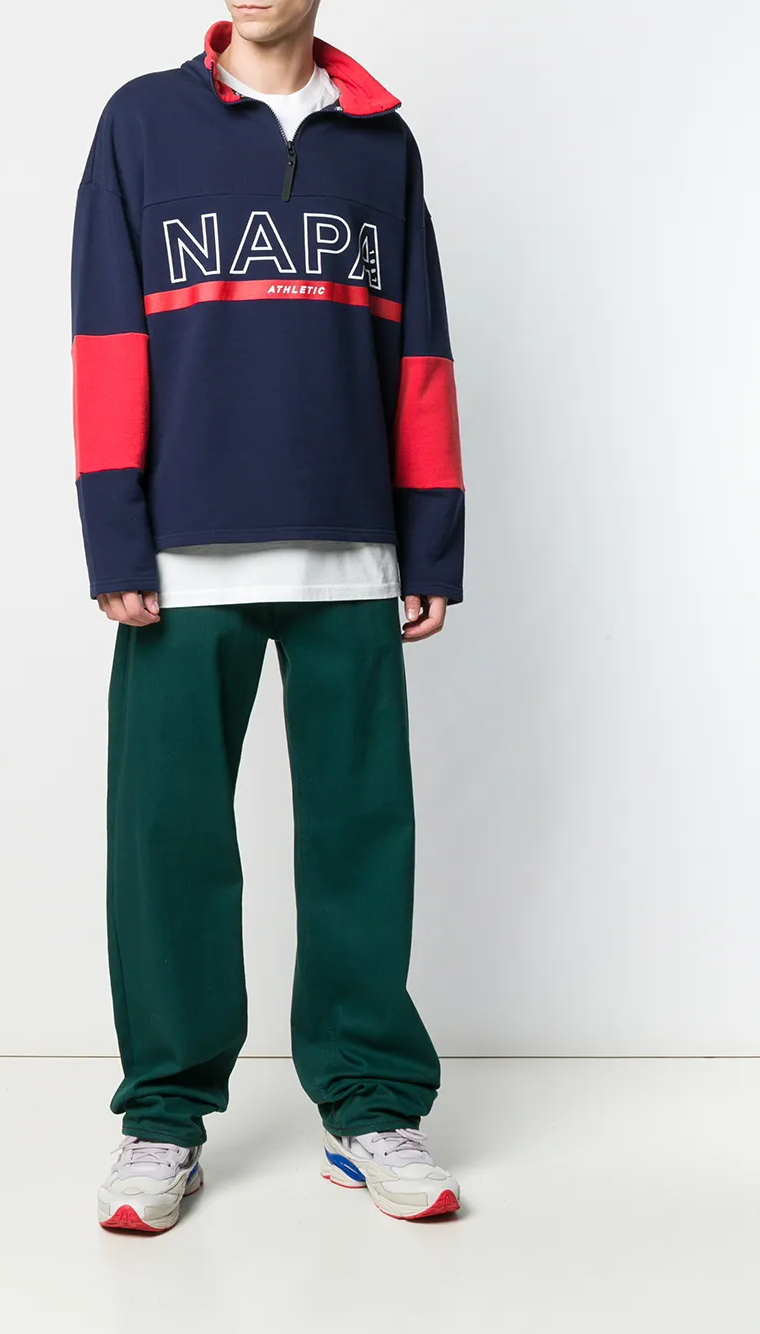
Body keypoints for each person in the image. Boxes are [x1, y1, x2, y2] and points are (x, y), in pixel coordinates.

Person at [71, 0, 465, 1233]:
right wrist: (114, 530)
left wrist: (431, 535)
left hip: (350, 541)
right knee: (168, 842)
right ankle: (162, 1119)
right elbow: (105, 334)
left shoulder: (380, 141)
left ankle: (369, 1107)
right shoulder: (143, 122)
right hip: (182, 553)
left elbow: (421, 350)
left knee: (360, 838)